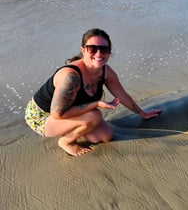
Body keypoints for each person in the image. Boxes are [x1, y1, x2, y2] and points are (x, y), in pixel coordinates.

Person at [24, 28, 162, 157]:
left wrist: (142, 113)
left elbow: (122, 95)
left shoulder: (106, 71)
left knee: (104, 137)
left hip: (68, 112)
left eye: (104, 49)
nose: (99, 54)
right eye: (92, 48)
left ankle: (78, 126)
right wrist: (96, 103)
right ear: (83, 50)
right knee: (94, 115)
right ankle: (67, 142)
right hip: (42, 117)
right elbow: (57, 114)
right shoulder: (71, 77)